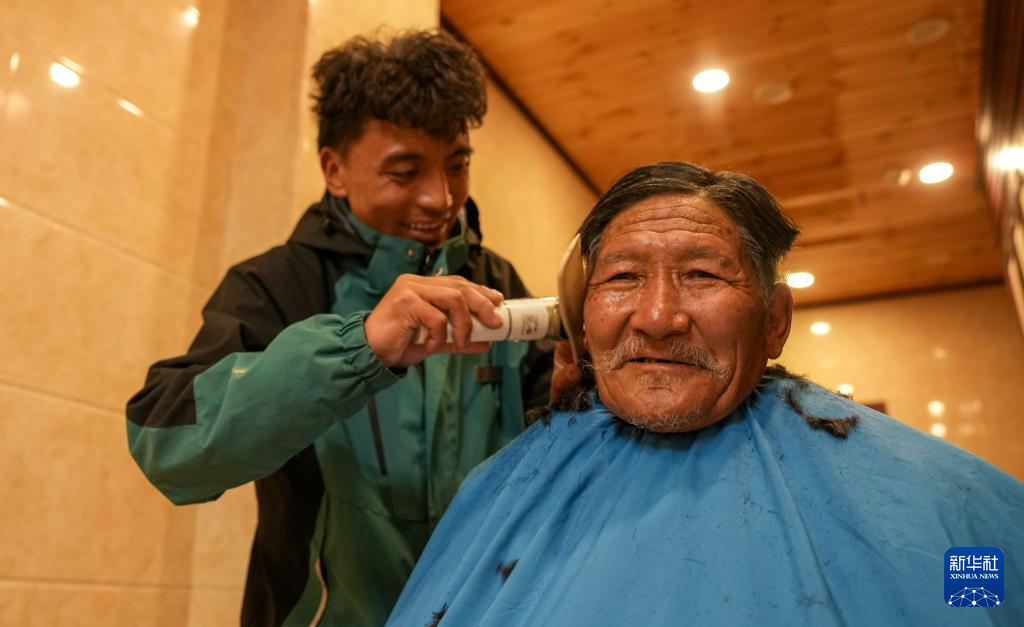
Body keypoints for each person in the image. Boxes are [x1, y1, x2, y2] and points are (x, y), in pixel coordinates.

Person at [385, 162, 1024, 627]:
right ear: (583, 318)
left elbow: (982, 587)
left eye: (701, 275)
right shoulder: (503, 491)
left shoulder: (937, 504)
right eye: (623, 277)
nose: (657, 317)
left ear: (775, 319)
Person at [126, 30, 555, 626]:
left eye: (457, 165)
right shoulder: (278, 285)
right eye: (405, 172)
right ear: (335, 169)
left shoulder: (497, 283)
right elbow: (166, 447)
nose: (440, 198)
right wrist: (358, 349)